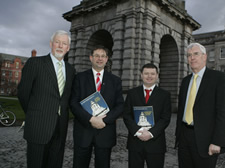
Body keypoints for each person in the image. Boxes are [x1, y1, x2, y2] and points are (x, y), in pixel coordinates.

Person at [17, 30, 75, 168]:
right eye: (57, 42)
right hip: (38, 126)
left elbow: (68, 97)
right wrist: (34, 114)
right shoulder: (35, 63)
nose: (60, 46)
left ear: (68, 48)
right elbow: (23, 94)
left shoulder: (71, 69)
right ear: (51, 44)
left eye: (64, 43)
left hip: (60, 128)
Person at [70, 45, 124, 168]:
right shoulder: (79, 78)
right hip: (84, 131)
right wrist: (91, 119)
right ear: (91, 58)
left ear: (107, 59)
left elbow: (120, 105)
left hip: (105, 131)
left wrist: (104, 120)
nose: (100, 59)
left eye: (103, 56)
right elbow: (73, 103)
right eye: (97, 56)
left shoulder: (115, 81)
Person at [175, 43, 225, 168]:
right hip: (184, 137)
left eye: (196, 54)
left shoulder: (219, 78)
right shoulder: (185, 81)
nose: (192, 58)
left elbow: (222, 112)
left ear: (204, 56)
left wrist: (217, 142)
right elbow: (181, 109)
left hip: (206, 140)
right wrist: (178, 136)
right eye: (189, 55)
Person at [123, 63, 171, 168]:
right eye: (146, 73)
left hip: (156, 143)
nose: (149, 76)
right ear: (141, 75)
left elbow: (165, 118)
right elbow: (126, 115)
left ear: (157, 75)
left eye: (152, 74)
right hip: (135, 142)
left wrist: (150, 133)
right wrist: (138, 131)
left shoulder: (165, 95)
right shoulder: (132, 93)